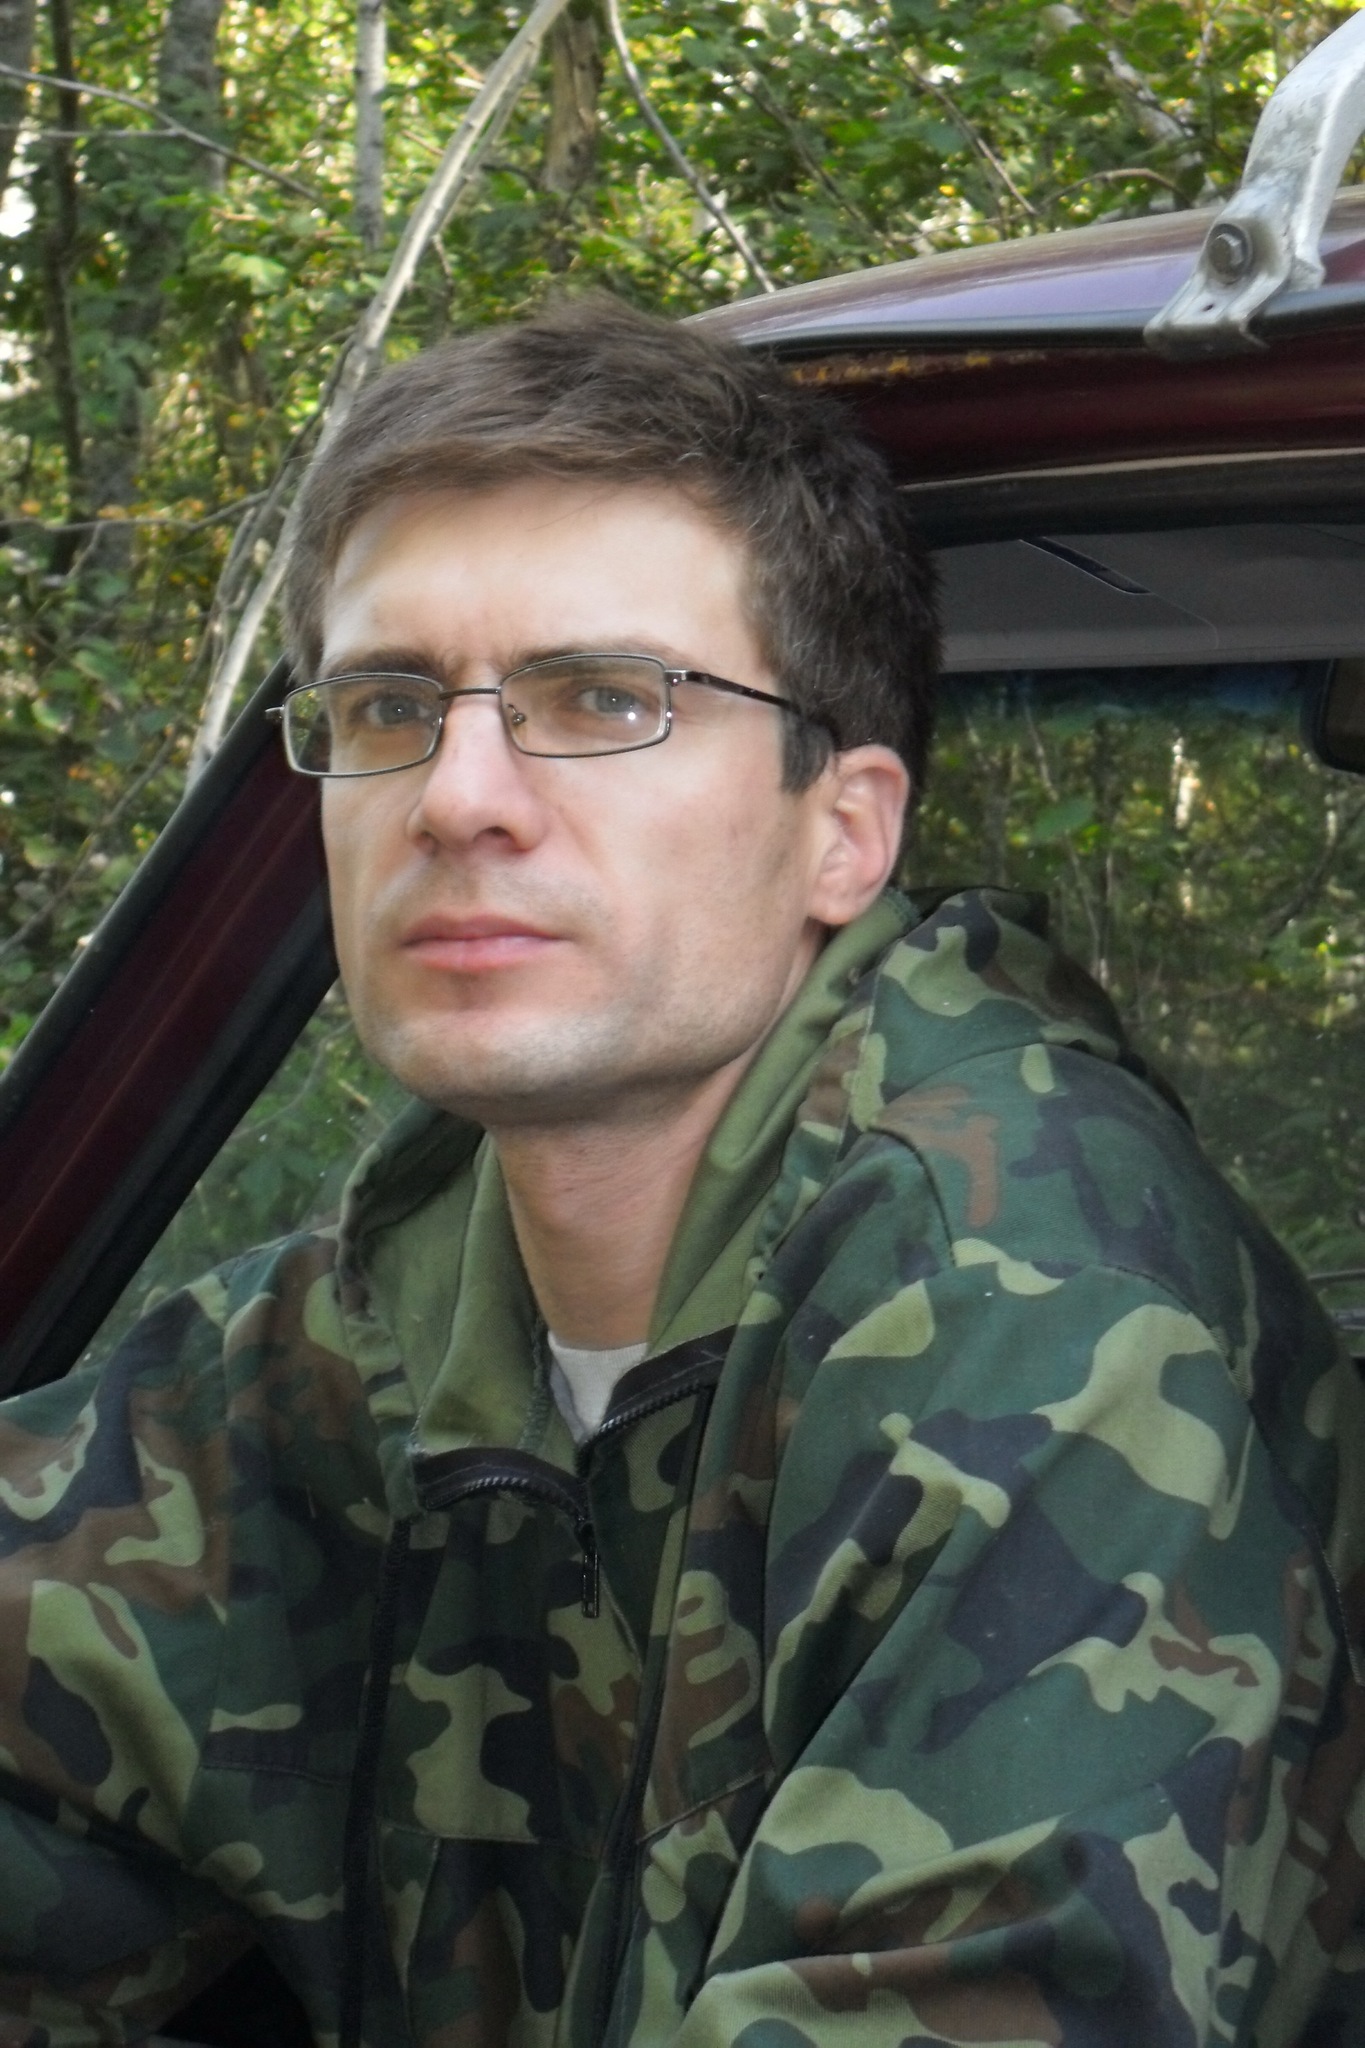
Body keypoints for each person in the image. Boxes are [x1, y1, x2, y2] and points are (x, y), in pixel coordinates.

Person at [1, 295, 1363, 2048]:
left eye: (600, 699)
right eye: (388, 703)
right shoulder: (389, 1310)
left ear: (843, 833)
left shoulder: (1029, 1310)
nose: (457, 797)